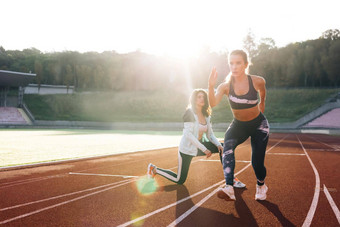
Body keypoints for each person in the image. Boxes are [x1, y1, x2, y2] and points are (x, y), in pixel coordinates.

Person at [147, 89, 246, 188]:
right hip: (187, 148)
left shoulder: (206, 115)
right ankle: (154, 169)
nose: (202, 99)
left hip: (198, 145)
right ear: (194, 99)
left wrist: (218, 145)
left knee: (223, 148)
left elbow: (210, 135)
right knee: (179, 180)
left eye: (203, 97)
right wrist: (204, 149)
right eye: (199, 97)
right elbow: (188, 135)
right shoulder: (189, 113)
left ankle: (231, 179)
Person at [208, 50, 270, 201]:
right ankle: (229, 187)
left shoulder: (257, 81)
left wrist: (261, 107)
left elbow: (262, 95)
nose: (234, 66)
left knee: (257, 162)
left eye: (238, 63)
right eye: (231, 63)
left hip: (258, 127)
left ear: (246, 64)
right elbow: (213, 103)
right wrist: (210, 86)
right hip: (238, 125)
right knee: (226, 149)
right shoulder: (225, 86)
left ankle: (261, 185)